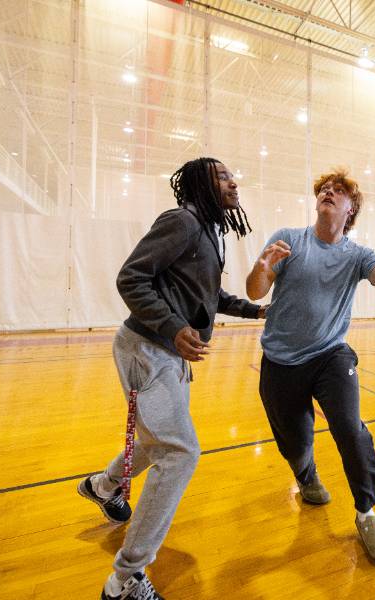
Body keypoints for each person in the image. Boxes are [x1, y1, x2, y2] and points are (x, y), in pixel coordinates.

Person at [246, 167, 375, 560]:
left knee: (350, 429)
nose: (328, 192)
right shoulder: (288, 240)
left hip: (330, 355)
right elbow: (256, 292)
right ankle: (305, 475)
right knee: (295, 445)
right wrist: (261, 268)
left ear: (351, 209)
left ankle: (366, 511)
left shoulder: (358, 255)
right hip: (280, 361)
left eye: (338, 191)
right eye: (323, 188)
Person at [79, 157, 265, 600]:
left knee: (159, 439)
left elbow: (207, 294)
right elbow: (131, 278)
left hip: (168, 354)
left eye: (232, 174)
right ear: (201, 183)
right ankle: (125, 579)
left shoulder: (209, 231)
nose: (232, 181)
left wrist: (254, 309)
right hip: (147, 350)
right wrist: (173, 328)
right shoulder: (181, 221)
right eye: (222, 176)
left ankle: (103, 486)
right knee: (180, 452)